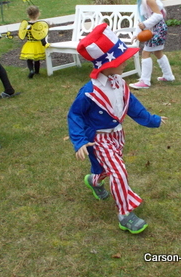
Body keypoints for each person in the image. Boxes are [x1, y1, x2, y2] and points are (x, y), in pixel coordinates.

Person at [67, 23, 167, 234]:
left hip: (117, 136)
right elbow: (75, 114)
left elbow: (133, 106)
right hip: (99, 139)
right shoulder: (89, 92)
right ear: (105, 65)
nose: (126, 62)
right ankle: (125, 215)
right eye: (121, 60)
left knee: (108, 169)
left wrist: (152, 120)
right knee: (119, 173)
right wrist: (79, 140)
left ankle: (93, 180)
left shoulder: (120, 83)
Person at [127, 0, 175, 89]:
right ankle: (168, 76)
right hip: (154, 29)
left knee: (145, 53)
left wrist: (145, 25)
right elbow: (143, 19)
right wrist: (137, 32)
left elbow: (158, 15)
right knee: (158, 52)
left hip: (156, 30)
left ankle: (145, 81)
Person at [19, 5, 49, 78]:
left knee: (29, 59)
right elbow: (41, 36)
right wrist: (44, 44)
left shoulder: (26, 25)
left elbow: (23, 34)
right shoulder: (39, 25)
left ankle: (31, 70)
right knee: (37, 59)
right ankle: (37, 71)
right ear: (38, 13)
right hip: (37, 44)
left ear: (28, 15)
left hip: (29, 44)